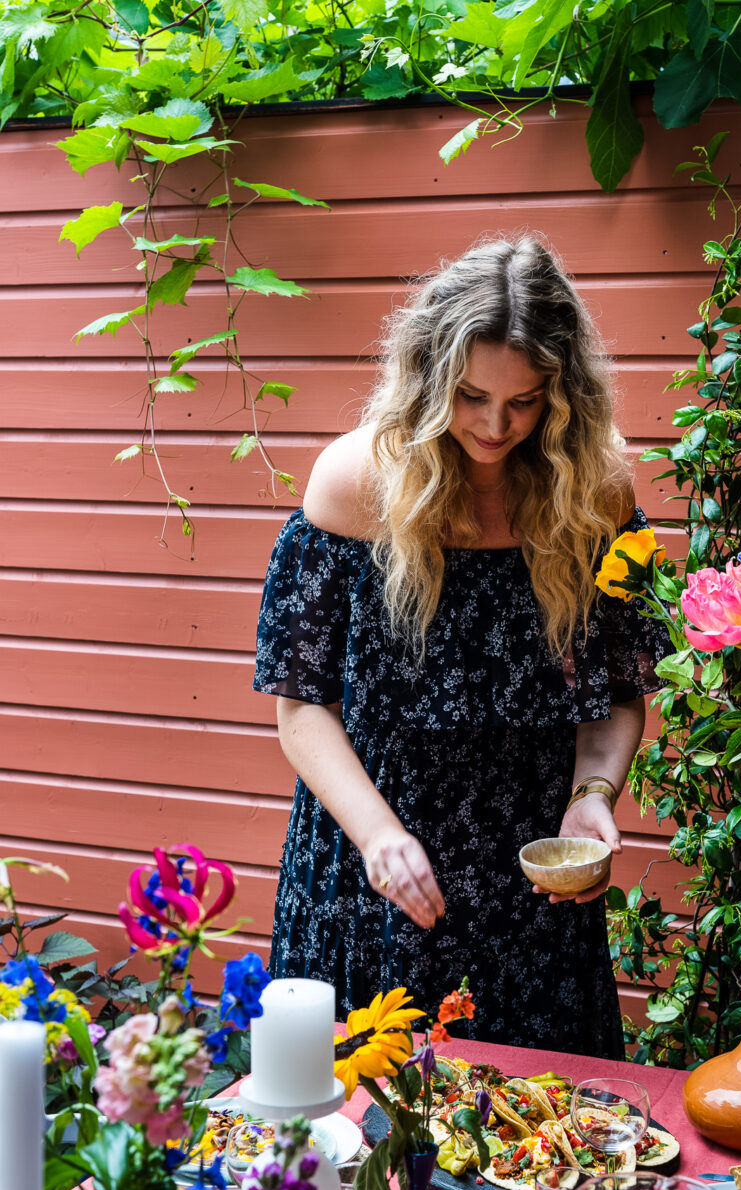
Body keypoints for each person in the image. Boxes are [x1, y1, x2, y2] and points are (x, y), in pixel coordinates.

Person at [253, 235, 671, 1055]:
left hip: (534, 879)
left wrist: (594, 794)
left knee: (542, 1141)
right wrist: (378, 837)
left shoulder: (599, 489)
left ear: (564, 392)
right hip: (376, 868)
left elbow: (620, 693)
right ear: (428, 378)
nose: (493, 424)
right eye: (471, 395)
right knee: (366, 1140)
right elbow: (301, 708)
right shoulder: (353, 484)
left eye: (525, 402)